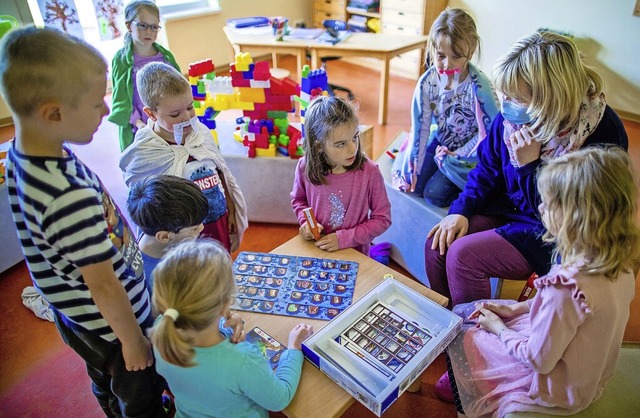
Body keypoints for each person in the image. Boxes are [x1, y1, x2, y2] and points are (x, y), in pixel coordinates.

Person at [0, 26, 167, 416]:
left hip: (74, 313)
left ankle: (110, 402)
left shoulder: (21, 155)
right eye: (97, 103)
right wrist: (133, 341)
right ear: (53, 113)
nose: (107, 112)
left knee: (103, 377)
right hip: (111, 324)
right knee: (138, 387)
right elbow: (105, 287)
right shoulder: (66, 195)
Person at [425, 31, 628, 309]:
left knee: (462, 256)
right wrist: (461, 209)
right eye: (503, 96)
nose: (505, 106)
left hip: (551, 231)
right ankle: (447, 321)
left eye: (516, 99)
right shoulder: (512, 119)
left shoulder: (601, 137)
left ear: (551, 98)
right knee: (439, 243)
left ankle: (473, 340)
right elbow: (486, 170)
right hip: (510, 210)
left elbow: (561, 220)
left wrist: (528, 166)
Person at [442, 147, 640, 416]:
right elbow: (572, 313)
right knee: (486, 316)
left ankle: (467, 407)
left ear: (574, 218)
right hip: (590, 375)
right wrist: (517, 308)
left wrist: (498, 327)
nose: (540, 207)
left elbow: (538, 360)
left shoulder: (565, 286)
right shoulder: (620, 262)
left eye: (548, 204)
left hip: (557, 388)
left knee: (463, 330)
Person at [149, 238, 314, 417]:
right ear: (226, 303)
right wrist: (294, 348)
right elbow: (280, 399)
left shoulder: (161, 329)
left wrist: (223, 326)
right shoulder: (242, 360)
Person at [119, 62, 248, 253]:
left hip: (216, 219)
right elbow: (145, 204)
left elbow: (221, 173)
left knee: (220, 263)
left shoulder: (201, 133)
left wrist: (230, 208)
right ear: (151, 114)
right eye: (174, 114)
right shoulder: (145, 152)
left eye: (190, 107)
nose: (187, 117)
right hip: (184, 232)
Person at [394, 7, 498, 207]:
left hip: (470, 153)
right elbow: (421, 127)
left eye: (456, 56)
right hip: (440, 141)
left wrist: (459, 154)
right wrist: (414, 162)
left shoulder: (479, 88)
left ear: (471, 50)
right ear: (432, 48)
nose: (447, 64)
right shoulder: (427, 82)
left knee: (434, 194)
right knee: (413, 185)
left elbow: (489, 134)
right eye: (440, 55)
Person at [291, 95, 391, 255]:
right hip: (317, 248)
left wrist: (343, 239)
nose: (353, 149)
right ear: (318, 146)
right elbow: (299, 200)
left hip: (355, 253)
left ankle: (378, 252)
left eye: (354, 137)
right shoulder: (304, 166)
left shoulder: (370, 171)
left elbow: (382, 219)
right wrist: (306, 223)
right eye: (341, 144)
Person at [109, 0, 180, 151]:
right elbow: (120, 99)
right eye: (142, 25)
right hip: (139, 127)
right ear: (129, 26)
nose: (149, 31)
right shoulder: (122, 60)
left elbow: (179, 88)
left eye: (154, 27)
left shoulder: (166, 57)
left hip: (167, 123)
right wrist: (138, 123)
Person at [127, 174, 208, 288]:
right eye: (194, 228)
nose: (202, 228)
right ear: (164, 237)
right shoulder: (152, 280)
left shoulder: (151, 225)